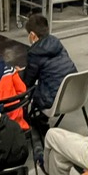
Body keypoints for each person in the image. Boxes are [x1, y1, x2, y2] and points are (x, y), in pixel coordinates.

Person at [21, 14, 77, 166]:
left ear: (33, 35)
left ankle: (32, 123)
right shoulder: (56, 42)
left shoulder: (35, 52)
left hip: (53, 100)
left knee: (27, 93)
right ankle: (41, 121)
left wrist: (21, 73)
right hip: (75, 94)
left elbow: (27, 82)